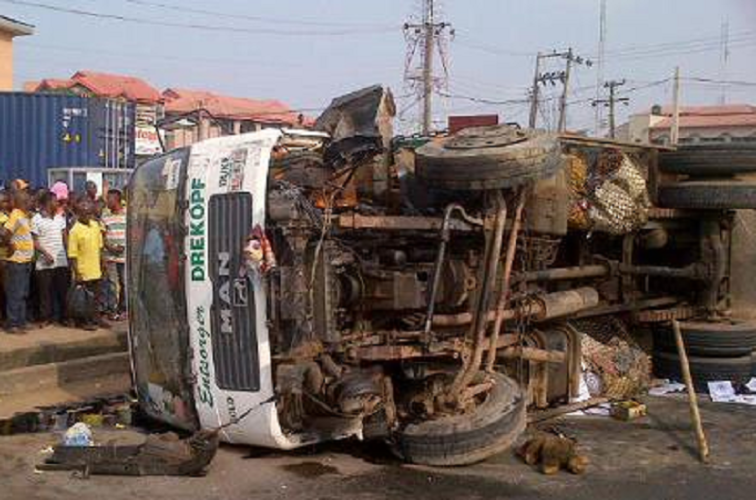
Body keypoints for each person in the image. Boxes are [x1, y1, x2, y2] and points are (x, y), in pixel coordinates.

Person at [31, 191, 69, 326]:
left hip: (61, 261)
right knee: (45, 293)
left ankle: (63, 317)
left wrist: (68, 255)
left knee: (62, 291)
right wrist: (45, 253)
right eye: (54, 201)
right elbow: (34, 241)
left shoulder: (60, 218)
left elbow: (65, 238)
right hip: (44, 262)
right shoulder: (36, 219)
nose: (56, 203)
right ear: (47, 203)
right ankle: (45, 318)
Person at [67, 199, 106, 331]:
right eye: (86, 213)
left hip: (96, 268)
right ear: (79, 214)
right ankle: (84, 321)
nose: (89, 216)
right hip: (83, 271)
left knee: (96, 297)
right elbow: (72, 255)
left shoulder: (95, 226)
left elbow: (100, 246)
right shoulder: (75, 231)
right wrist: (77, 272)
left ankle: (96, 318)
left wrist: (103, 262)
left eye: (90, 213)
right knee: (84, 299)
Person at [0, 190, 34, 333]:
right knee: (15, 293)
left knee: (23, 293)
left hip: (26, 260)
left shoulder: (25, 217)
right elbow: (5, 233)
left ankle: (21, 321)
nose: (29, 204)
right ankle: (13, 323)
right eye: (26, 201)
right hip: (16, 261)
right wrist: (10, 246)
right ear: (19, 203)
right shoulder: (15, 215)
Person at [101, 189, 127, 320]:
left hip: (125, 257)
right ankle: (112, 309)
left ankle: (123, 308)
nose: (107, 201)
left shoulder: (127, 215)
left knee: (125, 283)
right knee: (112, 284)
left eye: (109, 199)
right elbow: (103, 237)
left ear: (117, 200)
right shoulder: (105, 217)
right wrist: (110, 247)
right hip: (110, 256)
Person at [0, 191, 10, 323]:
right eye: (3, 201)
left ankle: (4, 316)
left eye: (6, 201)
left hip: (5, 257)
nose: (5, 204)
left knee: (5, 289)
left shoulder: (8, 218)